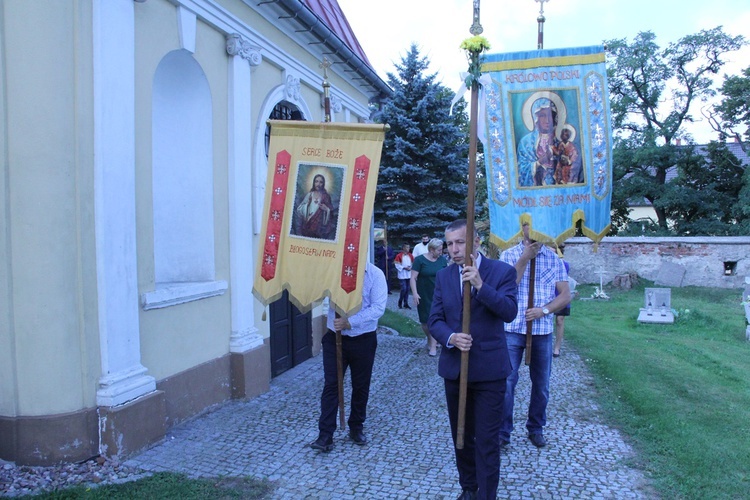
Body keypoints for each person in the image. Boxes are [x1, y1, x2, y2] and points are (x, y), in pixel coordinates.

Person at [429, 220, 518, 500]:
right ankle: (468, 487)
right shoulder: (444, 276)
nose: (454, 250)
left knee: (487, 441)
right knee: (462, 436)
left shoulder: (502, 272)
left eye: (460, 242)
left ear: (476, 242)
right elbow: (435, 320)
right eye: (449, 244)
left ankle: (486, 495)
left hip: (489, 372)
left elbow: (509, 311)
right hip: (456, 370)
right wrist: (451, 337)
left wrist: (481, 285)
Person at [499, 224, 570, 449]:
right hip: (512, 327)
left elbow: (565, 295)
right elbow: (505, 287)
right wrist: (524, 258)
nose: (535, 229)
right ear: (523, 228)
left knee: (541, 383)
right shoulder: (508, 255)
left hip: (541, 331)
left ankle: (536, 428)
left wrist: (544, 310)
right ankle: (502, 432)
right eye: (530, 225)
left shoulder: (553, 257)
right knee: (507, 382)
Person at [310, 261, 388, 453]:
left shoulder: (375, 275)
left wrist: (349, 322)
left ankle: (356, 426)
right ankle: (325, 434)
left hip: (363, 339)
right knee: (331, 385)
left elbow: (378, 308)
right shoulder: (333, 270)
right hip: (334, 339)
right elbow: (317, 294)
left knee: (361, 385)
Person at [409, 238, 447, 356]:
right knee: (425, 321)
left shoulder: (442, 261)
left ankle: (433, 346)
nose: (441, 252)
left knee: (435, 319)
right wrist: (415, 293)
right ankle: (430, 339)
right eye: (439, 250)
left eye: (441, 250)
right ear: (431, 249)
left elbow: (446, 277)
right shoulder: (420, 260)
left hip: (439, 294)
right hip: (424, 294)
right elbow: (413, 278)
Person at [517, 98, 559, 187]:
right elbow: (521, 170)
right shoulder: (526, 143)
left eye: (550, 115)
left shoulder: (559, 141)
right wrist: (539, 162)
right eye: (543, 116)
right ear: (536, 118)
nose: (548, 120)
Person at [295, 173, 335, 239]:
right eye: (316, 181)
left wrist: (327, 209)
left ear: (323, 184)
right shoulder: (310, 195)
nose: (318, 184)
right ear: (314, 182)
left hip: (319, 228)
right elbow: (300, 208)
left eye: (321, 182)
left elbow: (332, 213)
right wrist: (306, 207)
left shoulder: (326, 196)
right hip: (308, 224)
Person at [553, 246, 572, 357]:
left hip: (559, 294)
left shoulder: (564, 264)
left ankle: (557, 347)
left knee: (560, 320)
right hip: (547, 295)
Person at [394, 243, 413, 309]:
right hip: (402, 275)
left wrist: (410, 268)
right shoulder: (399, 256)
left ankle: (406, 303)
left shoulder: (410, 255)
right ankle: (400, 301)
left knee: (407, 289)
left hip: (409, 275)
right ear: (404, 248)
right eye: (407, 247)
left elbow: (413, 263)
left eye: (409, 247)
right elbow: (397, 265)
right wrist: (404, 268)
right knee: (404, 289)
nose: (408, 248)